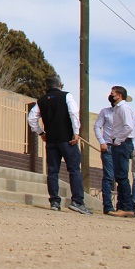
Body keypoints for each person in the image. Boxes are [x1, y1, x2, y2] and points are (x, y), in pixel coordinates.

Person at [28, 76, 91, 214]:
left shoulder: (41, 100)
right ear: (60, 85)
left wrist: (41, 132)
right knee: (74, 169)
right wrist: (76, 132)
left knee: (52, 171)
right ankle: (77, 201)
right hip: (67, 139)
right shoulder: (67, 96)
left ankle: (55, 201)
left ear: (46, 86)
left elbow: (32, 119)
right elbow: (73, 113)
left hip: (51, 140)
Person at [107, 85, 135, 217]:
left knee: (122, 176)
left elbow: (128, 127)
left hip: (122, 143)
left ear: (119, 96)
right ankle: (121, 206)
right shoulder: (118, 109)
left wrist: (118, 140)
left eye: (112, 93)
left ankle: (127, 207)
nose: (110, 95)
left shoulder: (123, 108)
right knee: (119, 175)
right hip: (120, 143)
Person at [93, 93, 117, 214]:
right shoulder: (105, 112)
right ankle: (108, 206)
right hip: (108, 147)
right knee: (108, 176)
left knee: (121, 177)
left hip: (121, 147)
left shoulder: (126, 112)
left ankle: (123, 205)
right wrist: (102, 142)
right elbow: (97, 126)